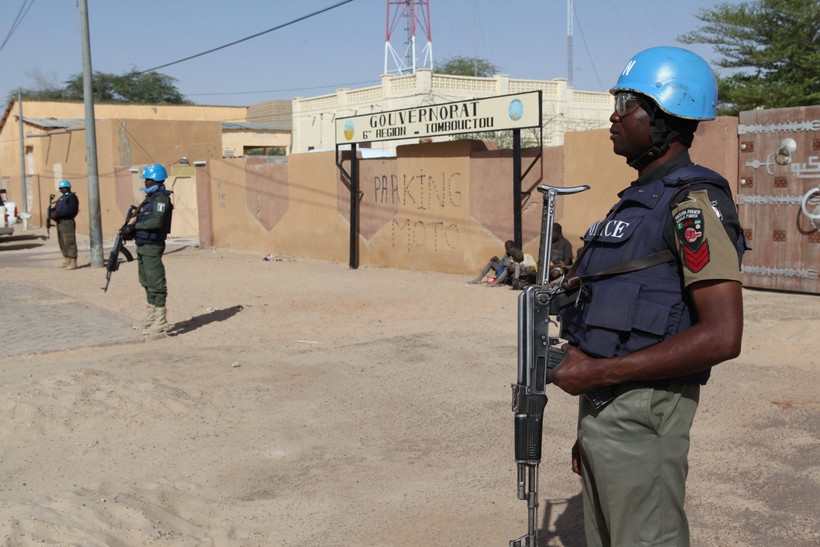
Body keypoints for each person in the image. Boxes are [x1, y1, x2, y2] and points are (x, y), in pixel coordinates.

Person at [546, 46, 746, 547]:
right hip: (609, 413)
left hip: (644, 416)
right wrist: (591, 425)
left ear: (663, 116)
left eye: (627, 102)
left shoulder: (691, 204)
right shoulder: (636, 204)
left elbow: (722, 335)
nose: (613, 115)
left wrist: (597, 375)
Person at [123, 164, 174, 335]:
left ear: (157, 180)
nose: (145, 182)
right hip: (143, 244)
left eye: (148, 179)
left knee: (156, 281)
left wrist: (135, 227)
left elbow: (157, 222)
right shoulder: (149, 199)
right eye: (145, 179)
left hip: (153, 245)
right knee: (145, 280)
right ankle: (152, 315)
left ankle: (161, 319)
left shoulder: (161, 199)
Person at [51, 180, 79, 270]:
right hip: (60, 222)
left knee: (69, 241)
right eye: (61, 188)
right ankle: (66, 259)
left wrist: (58, 214)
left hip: (67, 221)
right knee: (62, 242)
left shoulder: (72, 198)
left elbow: (70, 211)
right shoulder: (62, 198)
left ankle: (73, 261)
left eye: (64, 188)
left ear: (68, 188)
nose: (62, 190)